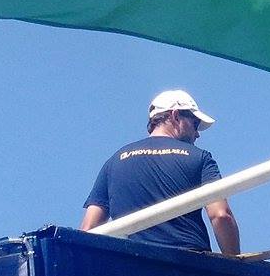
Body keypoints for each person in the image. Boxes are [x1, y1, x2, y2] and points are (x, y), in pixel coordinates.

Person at [80, 89, 240, 254]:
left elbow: (89, 229)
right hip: (187, 267)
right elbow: (221, 215)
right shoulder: (199, 157)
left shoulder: (114, 162)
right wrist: (236, 267)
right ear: (175, 116)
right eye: (195, 124)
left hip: (130, 267)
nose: (197, 134)